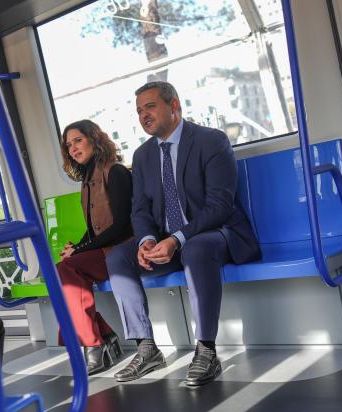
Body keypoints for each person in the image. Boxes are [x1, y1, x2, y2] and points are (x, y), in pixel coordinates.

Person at [106, 81, 260, 386]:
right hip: (167, 241)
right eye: (138, 111)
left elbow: (219, 205)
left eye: (150, 106)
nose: (143, 115)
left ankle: (206, 350)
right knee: (119, 257)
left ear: (174, 105)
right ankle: (146, 348)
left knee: (196, 249)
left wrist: (176, 239)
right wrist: (148, 240)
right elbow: (140, 210)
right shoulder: (142, 156)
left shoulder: (211, 141)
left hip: (218, 234)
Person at [55, 120, 131, 374]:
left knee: (64, 271)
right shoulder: (88, 179)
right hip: (105, 248)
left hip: (123, 250)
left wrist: (81, 250)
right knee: (62, 269)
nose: (73, 148)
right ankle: (102, 336)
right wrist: (77, 247)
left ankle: (95, 342)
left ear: (93, 138)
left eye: (78, 140)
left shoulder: (115, 171)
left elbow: (122, 226)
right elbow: (95, 228)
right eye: (68, 145)